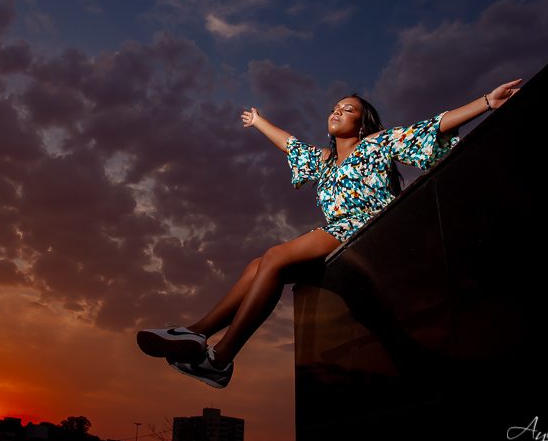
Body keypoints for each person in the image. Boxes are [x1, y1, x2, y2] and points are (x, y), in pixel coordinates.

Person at [136, 80, 522, 388]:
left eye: (348, 109)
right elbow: (291, 145)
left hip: (367, 232)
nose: (338, 111)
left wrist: (486, 102)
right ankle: (196, 333)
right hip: (338, 239)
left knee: (274, 256)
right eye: (335, 107)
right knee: (259, 265)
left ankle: (219, 359)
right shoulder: (323, 162)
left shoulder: (376, 144)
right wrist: (258, 121)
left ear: (362, 123)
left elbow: (432, 126)